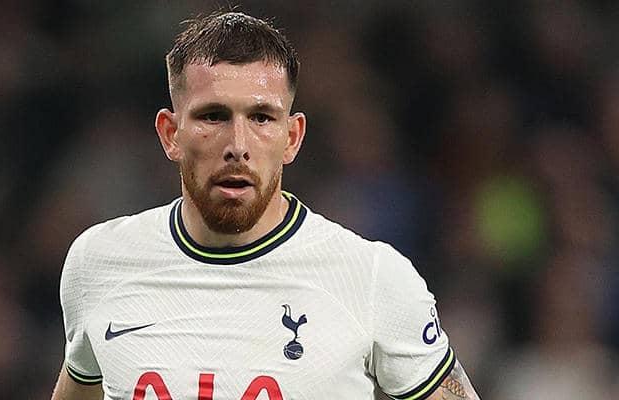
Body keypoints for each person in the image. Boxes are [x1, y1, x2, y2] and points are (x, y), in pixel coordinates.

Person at [51, 10, 481, 400]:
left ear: (291, 137)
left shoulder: (372, 279)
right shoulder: (98, 263)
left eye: (261, 117)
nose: (237, 145)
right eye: (213, 116)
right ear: (171, 134)